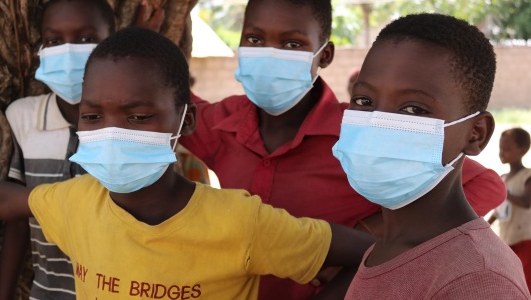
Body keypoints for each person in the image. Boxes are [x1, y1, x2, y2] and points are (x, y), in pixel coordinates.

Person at [0, 27, 377, 299]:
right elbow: (8, 201)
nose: (111, 130)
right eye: (92, 115)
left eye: (138, 116)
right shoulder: (76, 202)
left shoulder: (242, 223)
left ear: (186, 122)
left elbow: (372, 256)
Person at [180, 0, 507, 298]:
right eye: (254, 40)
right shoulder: (220, 124)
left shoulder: (358, 136)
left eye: (293, 43)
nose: (270, 54)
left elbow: (486, 185)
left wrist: (373, 238)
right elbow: (158, 107)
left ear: (324, 54)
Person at [327, 13, 530, 299]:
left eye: (413, 109)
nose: (377, 123)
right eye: (364, 101)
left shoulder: (478, 280)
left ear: (475, 133)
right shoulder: (387, 247)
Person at [0, 1, 114, 299]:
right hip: (48, 291)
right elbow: (16, 215)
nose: (68, 51)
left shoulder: (133, 126)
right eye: (53, 40)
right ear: (41, 48)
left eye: (86, 39)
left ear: (111, 45)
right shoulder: (23, 118)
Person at [490, 128, 531, 289]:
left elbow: (527, 202)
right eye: (500, 148)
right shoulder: (503, 178)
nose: (502, 152)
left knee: (524, 283)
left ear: (523, 150)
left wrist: (503, 192)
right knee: (511, 283)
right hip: (507, 241)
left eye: (506, 149)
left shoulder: (527, 176)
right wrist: (486, 224)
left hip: (525, 240)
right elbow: (499, 210)